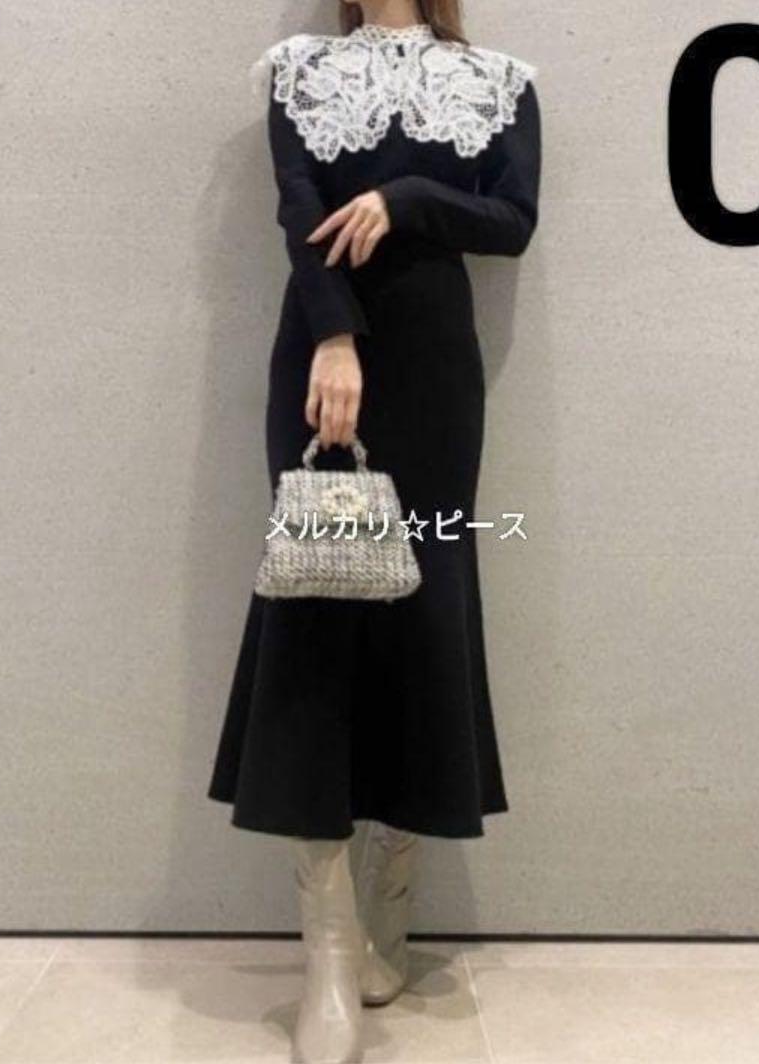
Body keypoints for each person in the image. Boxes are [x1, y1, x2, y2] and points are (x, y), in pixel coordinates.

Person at [207, 2, 541, 1060]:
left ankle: (391, 898)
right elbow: (297, 206)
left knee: (427, 611)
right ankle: (330, 948)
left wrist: (406, 198)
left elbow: (512, 219)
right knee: (314, 614)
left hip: (437, 373)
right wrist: (336, 336)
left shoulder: (502, 82)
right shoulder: (300, 68)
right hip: (322, 361)